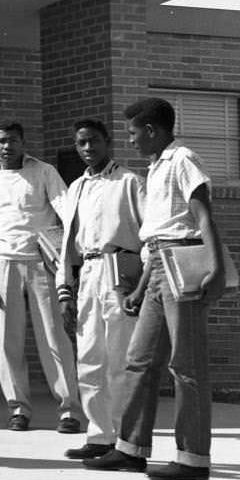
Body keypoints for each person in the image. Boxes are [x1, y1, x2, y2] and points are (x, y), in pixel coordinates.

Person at [84, 97, 231, 480]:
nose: (130, 141)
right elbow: (155, 236)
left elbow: (203, 215)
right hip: (157, 267)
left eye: (133, 133)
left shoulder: (182, 159)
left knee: (186, 366)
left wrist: (214, 270)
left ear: (152, 130)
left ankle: (193, 458)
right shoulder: (154, 167)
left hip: (184, 266)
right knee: (139, 360)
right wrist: (142, 286)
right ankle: (130, 449)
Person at [0, 120, 81, 433]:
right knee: (8, 340)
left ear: (23, 143)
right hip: (3, 262)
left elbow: (67, 211)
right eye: (3, 141)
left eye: (14, 140)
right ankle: (18, 409)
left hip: (42, 262)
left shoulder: (43, 171)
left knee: (54, 337)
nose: (8, 146)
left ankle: (69, 410)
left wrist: (67, 255)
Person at [56, 118, 146, 461]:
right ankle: (99, 436)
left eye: (94, 141)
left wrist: (139, 283)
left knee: (120, 358)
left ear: (108, 142)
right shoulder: (76, 187)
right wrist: (66, 288)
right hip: (88, 272)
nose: (88, 148)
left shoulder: (130, 182)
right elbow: (67, 243)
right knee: (89, 357)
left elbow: (147, 235)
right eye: (81, 143)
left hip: (119, 269)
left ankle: (126, 440)